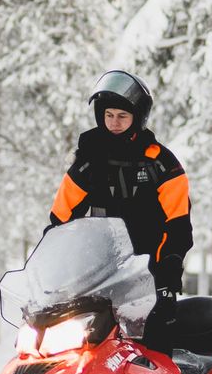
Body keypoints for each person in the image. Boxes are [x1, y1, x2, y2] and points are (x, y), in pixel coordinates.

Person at [48, 70, 192, 353]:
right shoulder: (88, 162)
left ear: (137, 117)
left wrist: (168, 268)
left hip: (148, 278)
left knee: (152, 354)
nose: (114, 122)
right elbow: (60, 219)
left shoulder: (161, 164)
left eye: (122, 116)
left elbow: (178, 225)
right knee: (78, 351)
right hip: (97, 277)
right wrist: (55, 261)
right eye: (109, 115)